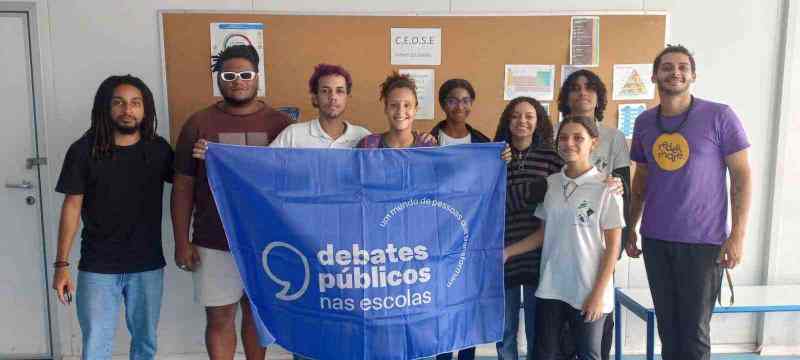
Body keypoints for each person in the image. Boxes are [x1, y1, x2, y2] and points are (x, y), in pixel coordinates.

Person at [625, 45, 752, 360]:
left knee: (694, 335)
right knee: (669, 331)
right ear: (655, 75)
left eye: (683, 67)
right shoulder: (643, 123)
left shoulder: (720, 115)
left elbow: (742, 177)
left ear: (693, 75)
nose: (675, 72)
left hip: (703, 242)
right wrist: (632, 226)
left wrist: (737, 236)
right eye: (667, 67)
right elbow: (641, 179)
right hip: (656, 240)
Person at [172, 44, 291, 360]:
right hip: (213, 239)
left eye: (245, 74)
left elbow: (292, 184)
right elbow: (183, 187)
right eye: (228, 75)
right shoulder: (198, 124)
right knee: (219, 317)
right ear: (218, 80)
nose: (237, 80)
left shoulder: (280, 124)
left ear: (256, 77)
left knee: (256, 315)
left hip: (265, 242)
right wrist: (181, 240)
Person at [52, 74, 174, 360]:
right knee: (95, 344)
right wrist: (61, 265)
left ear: (146, 110)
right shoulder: (83, 150)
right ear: (105, 108)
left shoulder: (158, 150)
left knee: (145, 342)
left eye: (135, 103)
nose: (127, 110)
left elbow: (186, 187)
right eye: (118, 103)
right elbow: (71, 207)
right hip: (97, 266)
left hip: (147, 264)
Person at [505, 115, 624, 360]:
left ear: (594, 142)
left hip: (588, 290)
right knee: (545, 354)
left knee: (588, 354)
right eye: (564, 138)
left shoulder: (607, 188)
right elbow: (542, 234)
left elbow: (613, 248)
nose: (569, 143)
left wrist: (597, 294)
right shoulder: (551, 183)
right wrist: (507, 252)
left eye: (578, 138)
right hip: (551, 287)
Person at [557, 69, 631, 360]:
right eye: (575, 88)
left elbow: (624, 185)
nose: (582, 93)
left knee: (599, 309)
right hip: (562, 239)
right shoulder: (554, 133)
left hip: (599, 238)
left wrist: (626, 235)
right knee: (563, 314)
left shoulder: (613, 137)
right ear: (566, 97)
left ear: (599, 96)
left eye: (589, 88)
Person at [493, 97, 563, 360]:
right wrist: (533, 192)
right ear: (507, 121)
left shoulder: (552, 158)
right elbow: (490, 204)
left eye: (529, 116)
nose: (522, 121)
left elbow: (558, 199)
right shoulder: (496, 154)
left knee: (538, 329)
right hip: (503, 253)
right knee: (505, 330)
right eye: (515, 115)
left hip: (540, 255)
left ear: (538, 121)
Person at [357, 72, 436, 149]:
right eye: (394, 105)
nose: (400, 111)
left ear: (416, 109)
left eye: (407, 105)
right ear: (386, 109)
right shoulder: (368, 145)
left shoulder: (428, 146)